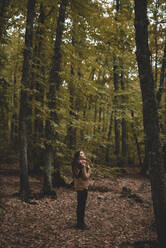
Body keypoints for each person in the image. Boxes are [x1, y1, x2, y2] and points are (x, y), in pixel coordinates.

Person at [72, 151, 91, 230]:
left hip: (82, 186)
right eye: (82, 153)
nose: (84, 154)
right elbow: (85, 176)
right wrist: (89, 170)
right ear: (78, 156)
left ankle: (81, 222)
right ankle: (80, 224)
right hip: (81, 186)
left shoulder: (81, 163)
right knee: (81, 205)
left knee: (81, 205)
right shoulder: (80, 164)